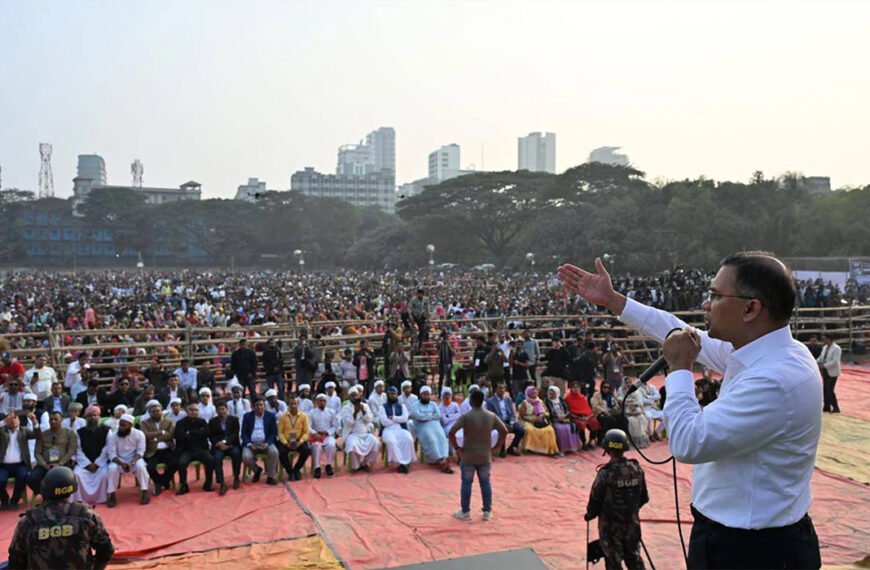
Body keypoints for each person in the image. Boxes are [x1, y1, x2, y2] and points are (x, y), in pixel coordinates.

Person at [559, 253, 823, 569]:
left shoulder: (776, 379)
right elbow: (680, 331)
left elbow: (688, 442)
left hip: (754, 550)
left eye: (715, 295)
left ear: (751, 309)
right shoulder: (764, 351)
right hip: (735, 537)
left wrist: (680, 368)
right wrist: (614, 301)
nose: (705, 305)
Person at [7, 466, 114, 570]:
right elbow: (106, 550)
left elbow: (15, 561)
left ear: (44, 489)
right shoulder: (87, 515)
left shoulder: (28, 521)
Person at [584, 429, 649, 570]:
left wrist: (589, 514)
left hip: (610, 527)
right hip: (632, 523)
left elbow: (594, 500)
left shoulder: (605, 474)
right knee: (634, 557)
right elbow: (644, 498)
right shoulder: (636, 469)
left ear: (607, 449)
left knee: (613, 561)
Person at [448, 390, 507, 522]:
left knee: (466, 483)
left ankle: (465, 511)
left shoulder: (466, 416)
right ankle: (487, 511)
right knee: (485, 483)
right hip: (485, 454)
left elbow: (451, 432)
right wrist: (497, 446)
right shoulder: (491, 416)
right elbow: (504, 430)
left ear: (471, 401)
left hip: (468, 455)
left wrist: (457, 448)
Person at [29, 411, 78, 497]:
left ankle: (62, 498)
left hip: (63, 463)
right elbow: (37, 453)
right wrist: (45, 464)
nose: (53, 421)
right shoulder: (43, 434)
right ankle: (46, 495)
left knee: (67, 478)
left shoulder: (69, 433)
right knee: (32, 478)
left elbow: (71, 451)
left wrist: (60, 463)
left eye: (56, 419)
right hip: (45, 464)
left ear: (62, 419)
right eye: (51, 419)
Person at [106, 414, 150, 507]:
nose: (120, 427)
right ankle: (112, 494)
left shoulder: (139, 434)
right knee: (112, 469)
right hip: (119, 460)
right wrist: (122, 463)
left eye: (123, 425)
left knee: (141, 466)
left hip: (134, 459)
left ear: (131, 425)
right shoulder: (113, 436)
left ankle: (144, 491)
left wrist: (131, 462)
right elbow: (111, 453)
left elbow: (141, 451)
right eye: (120, 425)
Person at [174, 402, 216, 495]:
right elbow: (180, 436)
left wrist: (190, 432)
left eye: (196, 410)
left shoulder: (202, 421)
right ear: (186, 411)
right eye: (191, 410)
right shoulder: (180, 423)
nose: (194, 412)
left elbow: (206, 434)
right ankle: (184, 485)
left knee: (210, 460)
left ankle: (208, 484)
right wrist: (198, 433)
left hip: (201, 449)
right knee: (181, 463)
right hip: (186, 449)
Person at [409, 386, 453, 473]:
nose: (426, 397)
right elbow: (419, 417)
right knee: (432, 440)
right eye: (424, 395)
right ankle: (440, 460)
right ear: (420, 395)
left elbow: (438, 415)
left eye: (428, 395)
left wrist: (426, 416)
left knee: (442, 438)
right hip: (423, 427)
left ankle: (444, 457)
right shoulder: (415, 405)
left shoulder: (433, 404)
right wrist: (430, 416)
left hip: (435, 425)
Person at [72, 406, 110, 505]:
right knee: (77, 475)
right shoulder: (79, 432)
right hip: (84, 463)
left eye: (95, 415)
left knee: (104, 475)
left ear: (99, 416)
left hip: (100, 463)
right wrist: (87, 464)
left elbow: (107, 448)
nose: (92, 418)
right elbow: (78, 450)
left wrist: (97, 464)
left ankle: (102, 499)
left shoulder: (107, 430)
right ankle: (79, 500)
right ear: (86, 418)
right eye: (89, 416)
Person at [0, 411, 38, 510]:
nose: (12, 420)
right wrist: (3, 422)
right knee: (0, 480)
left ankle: (15, 500)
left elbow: (37, 435)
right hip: (3, 465)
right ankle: (4, 499)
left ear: (19, 420)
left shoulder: (24, 431)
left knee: (23, 476)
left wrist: (34, 422)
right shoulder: (2, 431)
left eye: (15, 418)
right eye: (10, 418)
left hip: (20, 464)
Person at [339, 385, 380, 473]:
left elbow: (370, 419)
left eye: (357, 395)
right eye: (353, 396)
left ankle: (365, 463)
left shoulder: (365, 406)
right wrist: (355, 413)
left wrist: (363, 411)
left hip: (365, 432)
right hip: (352, 434)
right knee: (352, 445)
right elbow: (349, 423)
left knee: (376, 443)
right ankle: (356, 466)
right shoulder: (345, 408)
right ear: (350, 397)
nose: (355, 397)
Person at [140, 400, 177, 497]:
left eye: (158, 411)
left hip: (167, 450)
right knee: (150, 467)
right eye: (153, 411)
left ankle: (161, 482)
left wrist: (155, 438)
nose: (156, 413)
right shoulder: (144, 423)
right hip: (152, 451)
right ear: (150, 412)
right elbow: (146, 435)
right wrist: (161, 432)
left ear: (161, 410)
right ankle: (162, 482)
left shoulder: (169, 421)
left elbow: (170, 435)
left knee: (175, 463)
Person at [241, 397, 279, 485]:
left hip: (265, 442)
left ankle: (270, 476)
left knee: (274, 452)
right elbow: (243, 434)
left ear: (264, 406)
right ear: (253, 406)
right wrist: (250, 444)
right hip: (251, 443)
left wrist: (267, 443)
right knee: (246, 457)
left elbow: (273, 433)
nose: (259, 407)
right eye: (257, 405)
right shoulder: (247, 416)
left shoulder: (270, 416)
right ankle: (257, 470)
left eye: (261, 405)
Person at [379, 386, 416, 474]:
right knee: (392, 441)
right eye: (391, 394)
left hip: (401, 428)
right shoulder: (382, 407)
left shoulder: (402, 406)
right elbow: (384, 422)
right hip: (388, 430)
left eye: (394, 394)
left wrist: (393, 418)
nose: (393, 396)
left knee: (408, 439)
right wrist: (398, 420)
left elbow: (405, 418)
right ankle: (401, 463)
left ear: (397, 395)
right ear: (388, 395)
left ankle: (406, 462)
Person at [209, 399, 242, 495]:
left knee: (236, 454)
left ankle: (236, 478)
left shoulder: (234, 420)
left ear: (227, 409)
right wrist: (218, 443)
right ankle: (221, 482)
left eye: (223, 409)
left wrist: (226, 443)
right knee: (217, 458)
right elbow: (211, 435)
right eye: (219, 410)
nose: (221, 411)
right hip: (219, 446)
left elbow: (235, 433)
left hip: (232, 444)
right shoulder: (212, 422)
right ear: (216, 411)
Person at [484, 382, 524, 457]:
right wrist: (502, 423)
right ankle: (501, 449)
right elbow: (492, 415)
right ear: (495, 389)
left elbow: (512, 413)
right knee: (502, 429)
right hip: (497, 422)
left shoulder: (508, 399)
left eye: (503, 388)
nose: (502, 390)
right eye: (500, 388)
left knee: (520, 430)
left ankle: (512, 447)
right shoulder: (490, 401)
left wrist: (511, 423)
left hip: (509, 421)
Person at [517, 386, 559, 456]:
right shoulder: (525, 403)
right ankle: (529, 448)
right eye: (532, 393)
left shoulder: (540, 401)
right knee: (529, 429)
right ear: (528, 394)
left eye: (535, 393)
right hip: (528, 420)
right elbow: (522, 416)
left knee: (550, 430)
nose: (534, 395)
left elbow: (546, 411)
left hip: (540, 420)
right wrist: (533, 419)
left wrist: (542, 416)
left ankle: (548, 449)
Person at [277, 395, 311, 482]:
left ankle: (296, 469)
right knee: (281, 452)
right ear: (288, 405)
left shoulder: (303, 416)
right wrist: (285, 443)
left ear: (298, 404)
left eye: (295, 404)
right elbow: (280, 432)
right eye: (291, 404)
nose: (293, 406)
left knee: (306, 450)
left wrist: (300, 442)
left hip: (299, 440)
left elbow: (306, 432)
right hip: (287, 440)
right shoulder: (283, 417)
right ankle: (290, 472)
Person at [307, 393, 337, 479]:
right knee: (317, 446)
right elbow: (308, 426)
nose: (322, 403)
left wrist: (328, 432)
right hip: (316, 436)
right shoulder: (311, 413)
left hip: (327, 435)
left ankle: (329, 465)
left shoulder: (331, 412)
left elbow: (335, 426)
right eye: (320, 401)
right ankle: (317, 467)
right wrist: (314, 433)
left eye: (324, 401)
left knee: (331, 445)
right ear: (317, 402)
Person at [545, 386, 581, 454]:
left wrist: (564, 417)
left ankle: (572, 447)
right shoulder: (546, 401)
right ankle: (562, 449)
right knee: (561, 429)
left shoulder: (561, 400)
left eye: (553, 394)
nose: (551, 396)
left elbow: (567, 410)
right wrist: (558, 418)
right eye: (550, 394)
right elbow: (547, 412)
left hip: (564, 419)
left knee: (572, 426)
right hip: (554, 420)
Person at [565, 381, 600, 450]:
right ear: (570, 388)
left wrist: (588, 417)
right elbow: (568, 411)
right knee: (581, 424)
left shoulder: (582, 397)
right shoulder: (567, 398)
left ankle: (591, 441)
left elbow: (587, 409)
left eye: (577, 387)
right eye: (574, 387)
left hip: (586, 416)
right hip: (575, 417)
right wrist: (579, 417)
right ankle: (583, 443)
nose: (576, 389)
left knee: (594, 422)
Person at [616, 376, 649, 449]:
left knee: (641, 418)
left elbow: (640, 401)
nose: (628, 384)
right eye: (627, 382)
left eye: (630, 382)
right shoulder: (621, 390)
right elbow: (619, 399)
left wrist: (635, 405)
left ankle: (641, 442)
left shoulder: (636, 390)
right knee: (632, 421)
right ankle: (632, 442)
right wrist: (628, 403)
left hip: (636, 409)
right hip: (626, 409)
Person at [817, 333, 841, 413]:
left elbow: (835, 362)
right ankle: (826, 406)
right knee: (825, 389)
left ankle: (835, 406)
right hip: (825, 371)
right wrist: (816, 362)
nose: (823, 341)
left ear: (829, 339)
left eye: (824, 339)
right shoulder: (824, 348)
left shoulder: (836, 348)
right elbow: (821, 357)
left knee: (829, 389)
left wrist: (823, 366)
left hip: (832, 371)